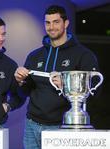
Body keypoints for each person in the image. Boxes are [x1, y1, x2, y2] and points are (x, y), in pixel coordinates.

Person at [14, 5, 100, 149]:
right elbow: (26, 92)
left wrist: (67, 85)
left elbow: (95, 92)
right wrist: (20, 81)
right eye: (47, 23)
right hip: (32, 125)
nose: (51, 27)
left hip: (62, 127)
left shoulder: (83, 55)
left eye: (56, 22)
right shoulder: (35, 55)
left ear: (66, 23)